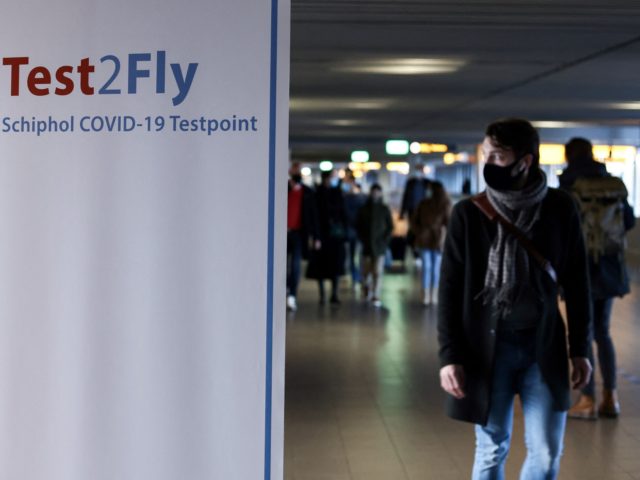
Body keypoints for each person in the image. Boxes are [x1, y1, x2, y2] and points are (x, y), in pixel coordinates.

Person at [438, 118, 592, 480]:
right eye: (485, 155)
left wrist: (581, 347)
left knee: (548, 453)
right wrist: (449, 356)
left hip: (543, 346)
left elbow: (577, 282)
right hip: (488, 348)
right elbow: (449, 290)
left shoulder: (559, 208)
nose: (488, 163)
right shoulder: (468, 215)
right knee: (492, 448)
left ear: (524, 162)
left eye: (498, 157)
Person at [560, 137, 635, 419]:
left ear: (569, 157)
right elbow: (627, 222)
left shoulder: (569, 185)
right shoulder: (613, 184)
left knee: (582, 332)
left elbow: (562, 226)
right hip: (610, 265)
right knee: (603, 332)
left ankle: (587, 398)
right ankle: (611, 398)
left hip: (581, 269)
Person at [306, 170, 347, 305]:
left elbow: (342, 213)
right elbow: (314, 216)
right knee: (321, 267)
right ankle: (323, 295)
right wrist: (315, 236)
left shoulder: (336, 193)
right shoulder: (317, 195)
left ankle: (334, 294)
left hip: (334, 236)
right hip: (323, 236)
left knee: (334, 266)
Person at [411, 181, 451, 306]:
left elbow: (449, 223)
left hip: (438, 240)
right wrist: (419, 232)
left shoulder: (445, 204)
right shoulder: (423, 203)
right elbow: (414, 221)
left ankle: (433, 294)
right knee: (427, 267)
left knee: (435, 268)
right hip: (425, 239)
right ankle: (426, 294)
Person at [286, 162, 319, 311]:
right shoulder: (282, 189)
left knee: (295, 265)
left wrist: (316, 237)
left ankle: (292, 294)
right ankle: (285, 289)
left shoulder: (307, 193)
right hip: (283, 233)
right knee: (282, 265)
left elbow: (313, 216)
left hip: (299, 234)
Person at [356, 184, 393, 308]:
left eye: (377, 192)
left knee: (377, 271)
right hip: (366, 245)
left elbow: (389, 227)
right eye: (373, 192)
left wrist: (384, 240)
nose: (375, 194)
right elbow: (358, 226)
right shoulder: (364, 209)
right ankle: (366, 289)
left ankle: (376, 294)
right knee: (366, 271)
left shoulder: (384, 209)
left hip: (379, 246)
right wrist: (362, 238)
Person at [400, 163, 432, 262]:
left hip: (424, 212)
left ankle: (420, 249)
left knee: (421, 230)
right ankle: (415, 251)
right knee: (413, 230)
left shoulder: (427, 183)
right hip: (412, 210)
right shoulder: (411, 182)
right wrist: (402, 212)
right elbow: (405, 197)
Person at [342, 169, 367, 291]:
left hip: (359, 231)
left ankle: (359, 277)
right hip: (350, 231)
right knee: (352, 256)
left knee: (359, 255)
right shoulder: (345, 197)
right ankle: (356, 277)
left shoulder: (361, 197)